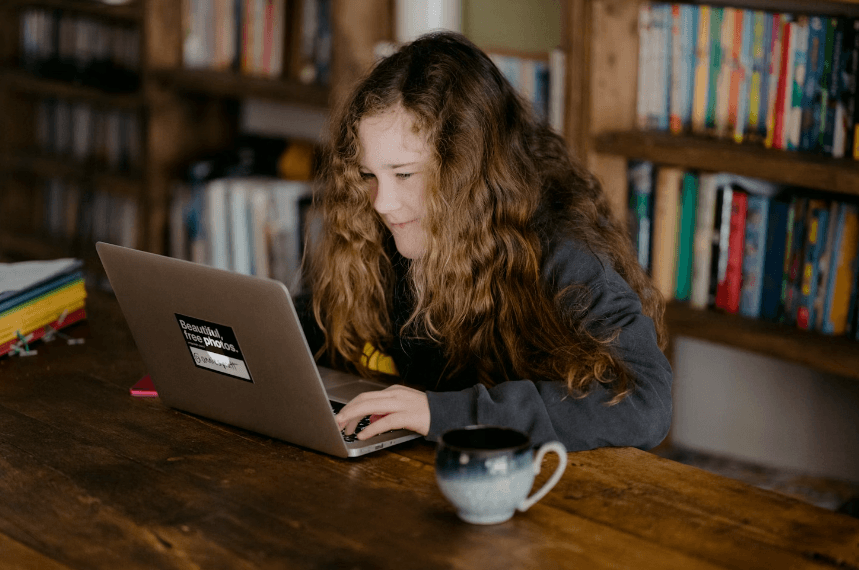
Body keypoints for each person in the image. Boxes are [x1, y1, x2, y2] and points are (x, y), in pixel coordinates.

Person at [294, 31, 672, 452]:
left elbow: (644, 403)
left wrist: (444, 413)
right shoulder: (392, 229)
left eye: (404, 175)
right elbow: (319, 324)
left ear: (468, 172)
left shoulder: (563, 251)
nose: (382, 203)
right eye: (369, 175)